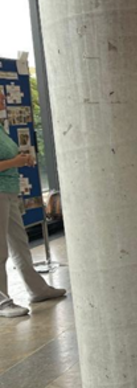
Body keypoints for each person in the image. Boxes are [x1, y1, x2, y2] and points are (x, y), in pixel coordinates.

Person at [0, 90, 66, 318]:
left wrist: (20, 160)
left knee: (20, 243)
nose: (3, 99)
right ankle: (2, 301)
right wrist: (15, 161)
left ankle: (37, 289)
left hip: (9, 191)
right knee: (0, 250)